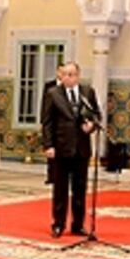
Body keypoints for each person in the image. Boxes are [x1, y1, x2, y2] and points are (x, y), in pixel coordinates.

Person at [41, 61, 98, 238]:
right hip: (61, 148)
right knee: (60, 189)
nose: (68, 77)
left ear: (78, 76)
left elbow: (96, 115)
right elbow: (47, 122)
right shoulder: (53, 94)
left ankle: (78, 224)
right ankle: (58, 223)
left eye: (72, 74)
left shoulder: (87, 92)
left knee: (80, 189)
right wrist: (48, 145)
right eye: (65, 74)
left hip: (81, 149)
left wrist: (92, 126)